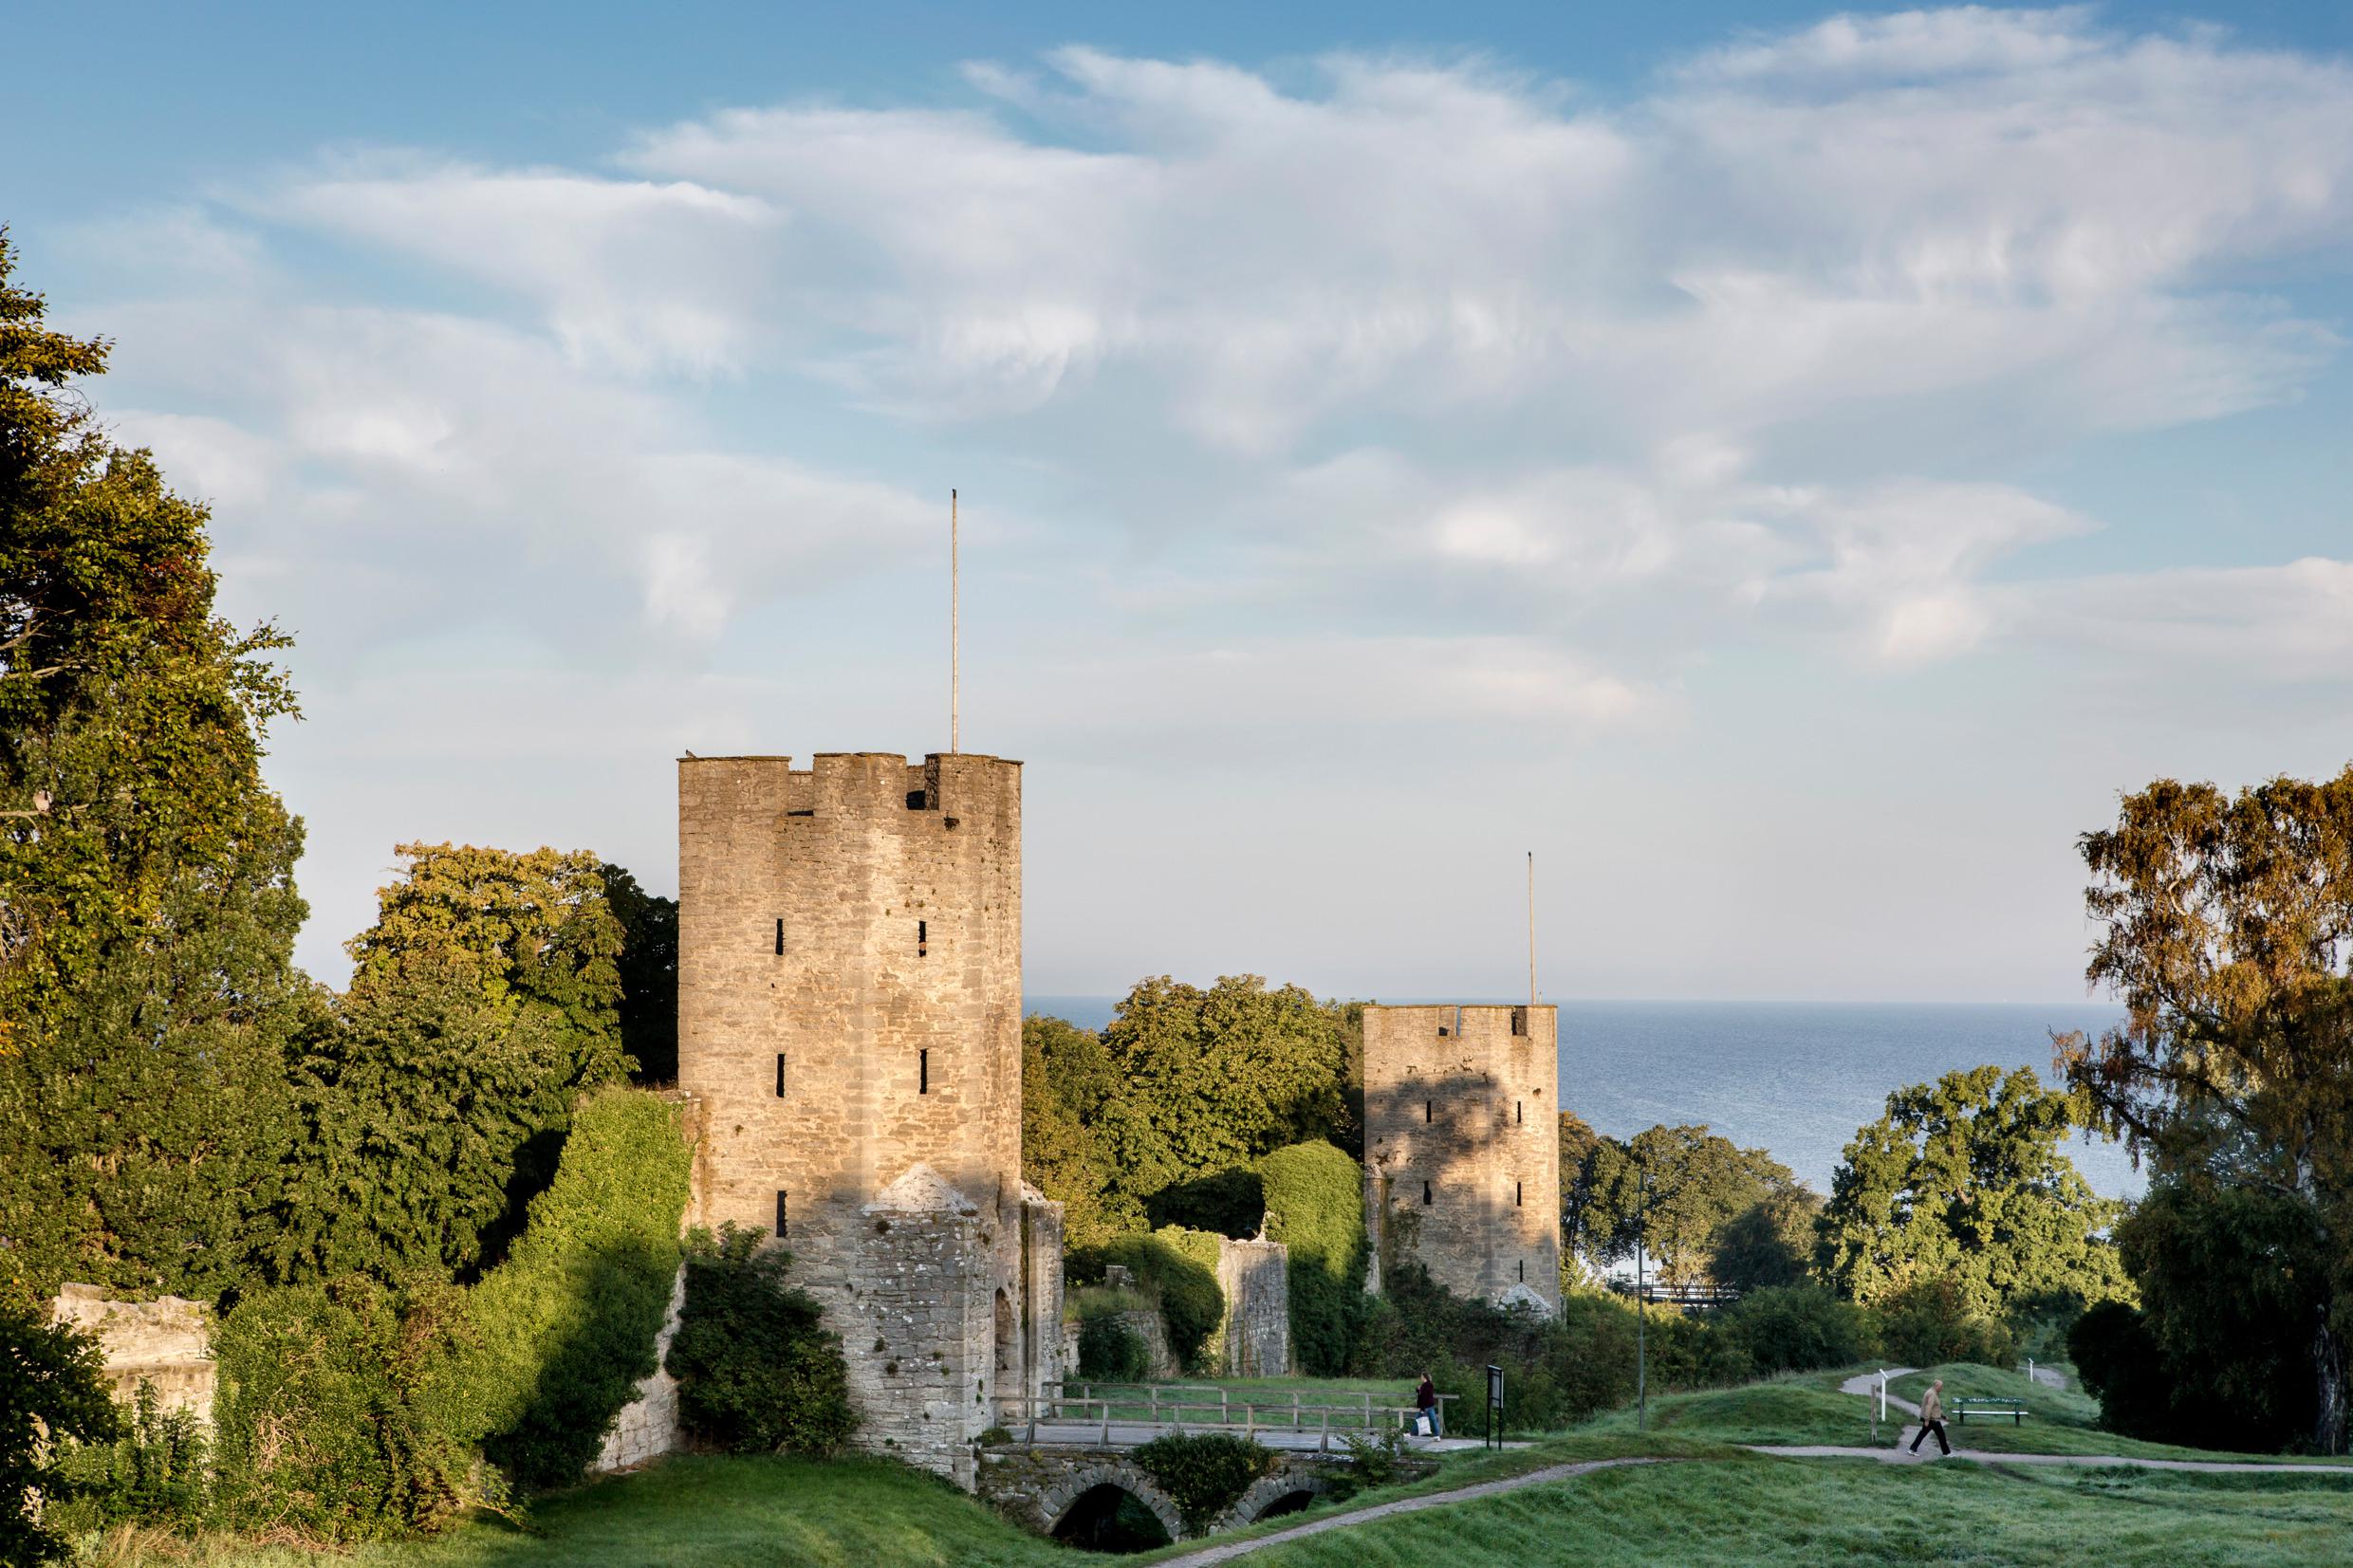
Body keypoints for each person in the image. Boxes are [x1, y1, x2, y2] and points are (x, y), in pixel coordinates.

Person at [1908, 1378, 1951, 1457]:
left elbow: (1935, 1408)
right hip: (1932, 1419)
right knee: (1941, 1435)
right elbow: (1928, 1407)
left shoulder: (1931, 1392)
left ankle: (1912, 1449)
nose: (1942, 1388)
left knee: (1922, 1434)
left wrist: (1943, 1416)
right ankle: (1946, 1453)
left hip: (1931, 1419)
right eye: (1941, 1386)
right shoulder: (1932, 1394)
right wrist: (1927, 1420)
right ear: (1937, 1386)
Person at [1415, 1372, 1441, 1437]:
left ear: (1424, 1377)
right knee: (1434, 1420)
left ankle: (1411, 1433)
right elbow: (1422, 1393)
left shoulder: (1425, 1385)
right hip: (1430, 1406)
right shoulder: (1429, 1384)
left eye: (1421, 1376)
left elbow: (1424, 1397)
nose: (1420, 1378)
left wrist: (1422, 1409)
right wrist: (1418, 1389)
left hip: (1425, 1406)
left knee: (1418, 1420)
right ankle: (1437, 1435)